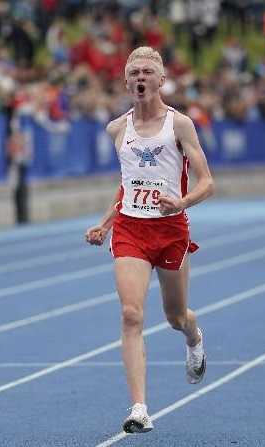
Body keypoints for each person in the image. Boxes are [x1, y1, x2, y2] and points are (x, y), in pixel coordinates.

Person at [84, 46, 215, 434]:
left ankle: (194, 336)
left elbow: (208, 182)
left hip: (170, 229)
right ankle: (139, 407)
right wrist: (106, 223)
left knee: (175, 316)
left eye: (147, 72)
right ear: (126, 82)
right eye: (134, 72)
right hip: (131, 230)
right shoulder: (117, 129)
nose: (140, 78)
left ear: (161, 80)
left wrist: (183, 201)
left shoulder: (180, 126)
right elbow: (126, 186)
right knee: (131, 314)